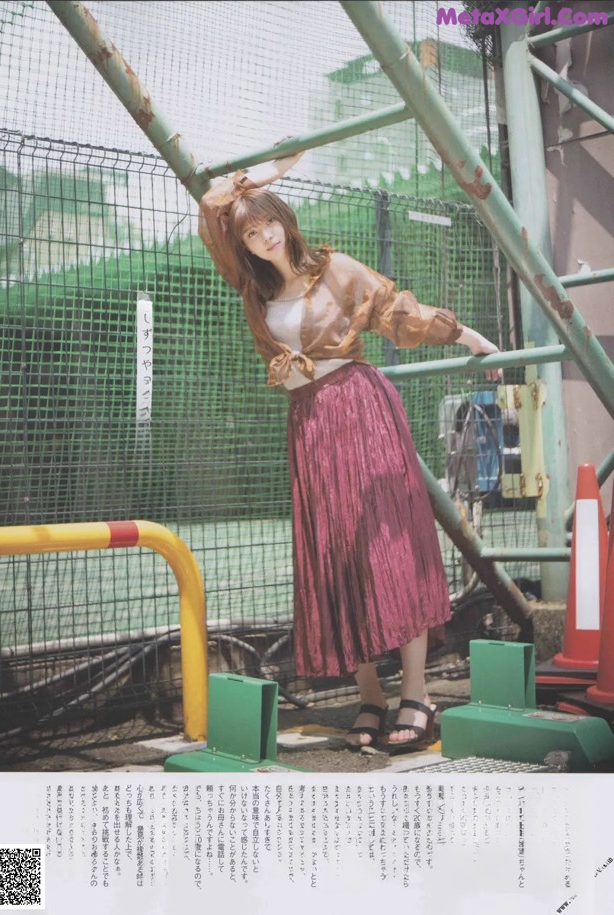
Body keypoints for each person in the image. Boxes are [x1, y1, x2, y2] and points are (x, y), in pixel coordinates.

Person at [198, 146, 500, 752]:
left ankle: (415, 692)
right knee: (332, 553)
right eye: (251, 233)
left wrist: (468, 336)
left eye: (269, 225)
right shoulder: (251, 288)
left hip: (359, 407)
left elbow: (395, 311)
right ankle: (370, 695)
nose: (262, 239)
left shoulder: (333, 270)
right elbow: (212, 203)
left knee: (388, 541)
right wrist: (263, 176)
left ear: (287, 221)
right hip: (308, 422)